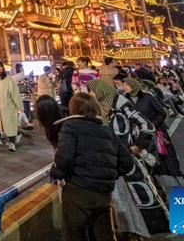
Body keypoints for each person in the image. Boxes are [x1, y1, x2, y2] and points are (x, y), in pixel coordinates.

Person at [87, 79, 170, 237]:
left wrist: (137, 146)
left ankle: (138, 230)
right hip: (111, 161)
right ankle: (128, 230)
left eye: (92, 91)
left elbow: (147, 125)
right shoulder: (105, 107)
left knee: (134, 196)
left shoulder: (120, 103)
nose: (91, 94)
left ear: (101, 91)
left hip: (125, 160)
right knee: (120, 199)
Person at [51, 93, 135, 241]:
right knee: (103, 234)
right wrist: (109, 175)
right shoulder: (107, 131)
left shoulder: (70, 126)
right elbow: (128, 163)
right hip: (103, 194)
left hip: (79, 191)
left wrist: (56, 173)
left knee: (73, 234)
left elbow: (64, 156)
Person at [123, 77, 184, 191]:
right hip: (139, 135)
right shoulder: (124, 101)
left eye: (126, 85)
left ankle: (174, 183)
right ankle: (155, 186)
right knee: (146, 159)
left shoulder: (147, 97)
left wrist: (150, 125)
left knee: (163, 157)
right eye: (123, 85)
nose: (124, 87)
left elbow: (161, 113)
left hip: (157, 132)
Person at [0, 60, 24, 152]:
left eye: (0, 66)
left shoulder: (8, 79)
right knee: (3, 125)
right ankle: (11, 139)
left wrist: (19, 106)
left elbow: (15, 93)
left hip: (8, 105)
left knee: (10, 124)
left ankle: (12, 143)